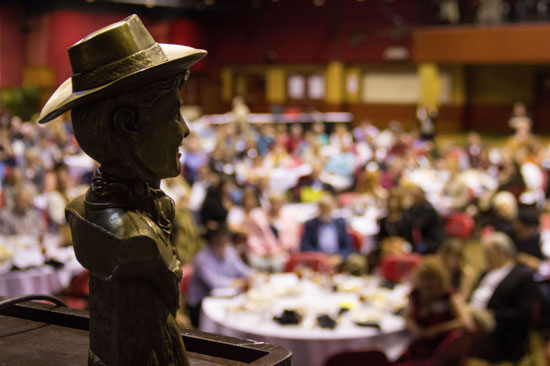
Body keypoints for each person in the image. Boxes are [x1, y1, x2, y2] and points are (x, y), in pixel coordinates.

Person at [38, 15, 207, 366]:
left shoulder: (110, 211)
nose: (185, 130)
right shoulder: (130, 237)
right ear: (128, 124)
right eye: (174, 114)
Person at [468, 232, 538, 362]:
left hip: (501, 329)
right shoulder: (485, 273)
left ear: (502, 252)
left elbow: (524, 313)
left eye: (489, 253)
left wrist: (493, 314)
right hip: (473, 317)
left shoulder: (522, 276)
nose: (486, 257)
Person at [400, 256, 473, 362]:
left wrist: (437, 329)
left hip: (443, 347)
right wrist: (417, 330)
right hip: (419, 344)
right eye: (425, 278)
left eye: (431, 279)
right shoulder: (415, 294)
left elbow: (466, 322)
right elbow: (407, 316)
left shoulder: (448, 296)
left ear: (440, 279)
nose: (427, 283)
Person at [186, 223, 253, 327]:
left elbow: (242, 269)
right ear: (211, 240)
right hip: (200, 304)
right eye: (218, 238)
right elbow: (214, 283)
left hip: (224, 297)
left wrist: (254, 275)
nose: (222, 240)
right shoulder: (202, 258)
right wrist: (239, 282)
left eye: (224, 237)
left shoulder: (229, 252)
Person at [406, 186, 444, 254]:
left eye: (416, 196)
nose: (414, 198)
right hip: (419, 238)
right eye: (413, 196)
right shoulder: (413, 208)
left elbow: (418, 224)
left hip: (431, 239)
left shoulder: (429, 210)